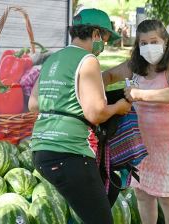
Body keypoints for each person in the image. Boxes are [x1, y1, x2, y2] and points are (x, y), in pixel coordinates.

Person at [28, 8, 131, 224]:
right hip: (70, 154)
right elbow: (96, 113)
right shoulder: (88, 60)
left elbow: (33, 104)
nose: (104, 44)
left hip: (41, 152)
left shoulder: (52, 59)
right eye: (104, 37)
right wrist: (119, 107)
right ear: (95, 34)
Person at [102, 19, 169, 224]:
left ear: (165, 41)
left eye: (154, 41)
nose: (149, 47)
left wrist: (139, 94)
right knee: (143, 193)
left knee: (168, 197)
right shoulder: (136, 65)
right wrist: (89, 86)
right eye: (143, 43)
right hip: (142, 141)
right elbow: (110, 75)